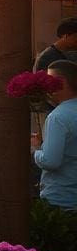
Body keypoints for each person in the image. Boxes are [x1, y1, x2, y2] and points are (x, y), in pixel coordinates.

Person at [33, 60, 77, 209]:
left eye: (49, 80)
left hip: (61, 200)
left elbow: (51, 161)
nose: (46, 86)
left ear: (62, 82)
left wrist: (35, 150)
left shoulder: (57, 117)